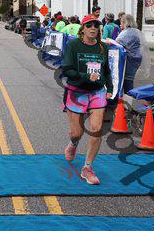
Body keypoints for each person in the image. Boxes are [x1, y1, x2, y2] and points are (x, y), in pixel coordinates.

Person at [60, 14, 112, 185]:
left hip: (97, 92)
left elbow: (106, 70)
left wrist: (110, 88)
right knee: (77, 132)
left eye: (96, 25)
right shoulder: (73, 45)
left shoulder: (103, 47)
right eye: (89, 25)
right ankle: (73, 143)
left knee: (96, 129)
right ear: (82, 28)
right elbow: (67, 69)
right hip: (77, 91)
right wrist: (85, 76)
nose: (93, 28)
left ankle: (87, 168)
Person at [115, 14, 149, 94]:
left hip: (129, 59)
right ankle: (128, 96)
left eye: (121, 22)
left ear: (125, 22)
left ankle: (128, 97)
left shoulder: (126, 33)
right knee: (130, 79)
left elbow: (117, 43)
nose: (120, 24)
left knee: (126, 81)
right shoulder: (136, 31)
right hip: (136, 58)